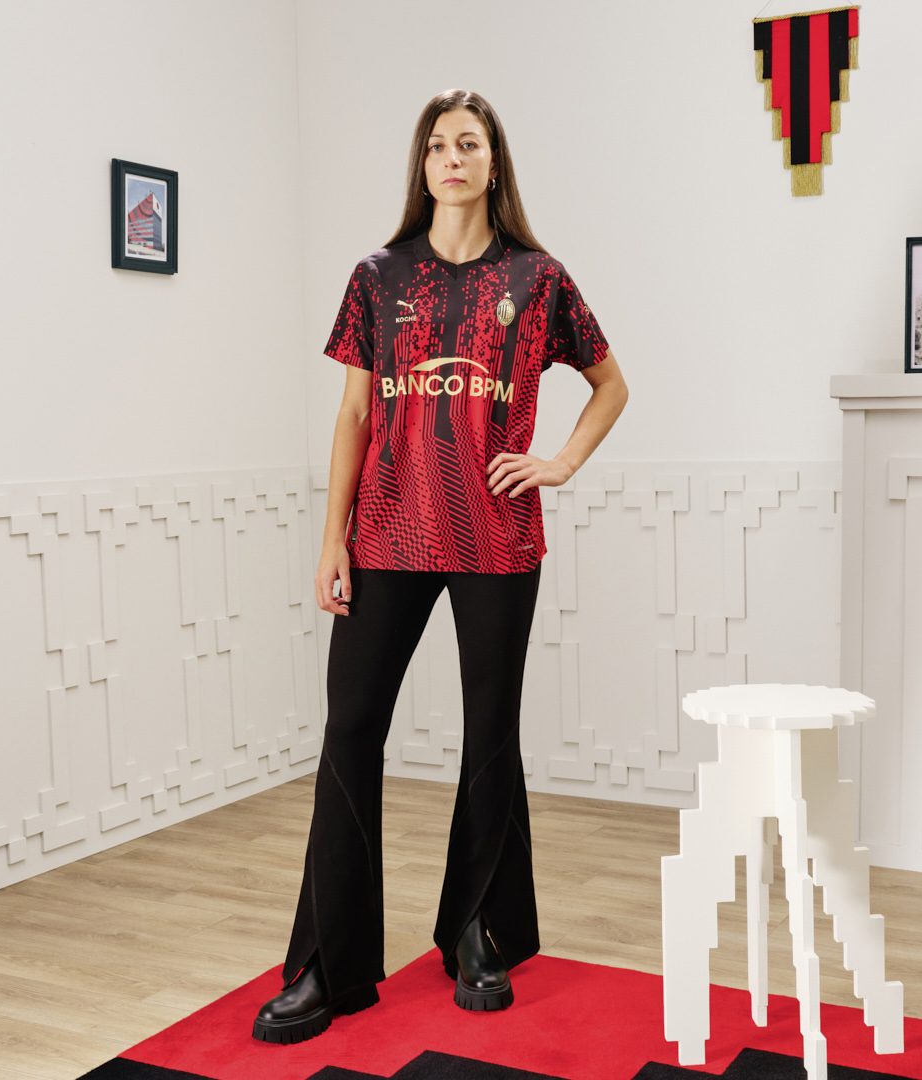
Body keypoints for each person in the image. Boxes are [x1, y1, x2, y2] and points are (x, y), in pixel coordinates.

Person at [252, 89, 629, 1044]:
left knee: (490, 733)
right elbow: (353, 414)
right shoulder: (377, 277)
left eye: (468, 143)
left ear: (494, 163)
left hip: (496, 534)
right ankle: (327, 964)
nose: (451, 158)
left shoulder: (537, 280)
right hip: (386, 530)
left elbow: (610, 384)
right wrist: (331, 538)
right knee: (351, 730)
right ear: (422, 166)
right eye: (436, 145)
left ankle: (476, 932)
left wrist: (559, 462)